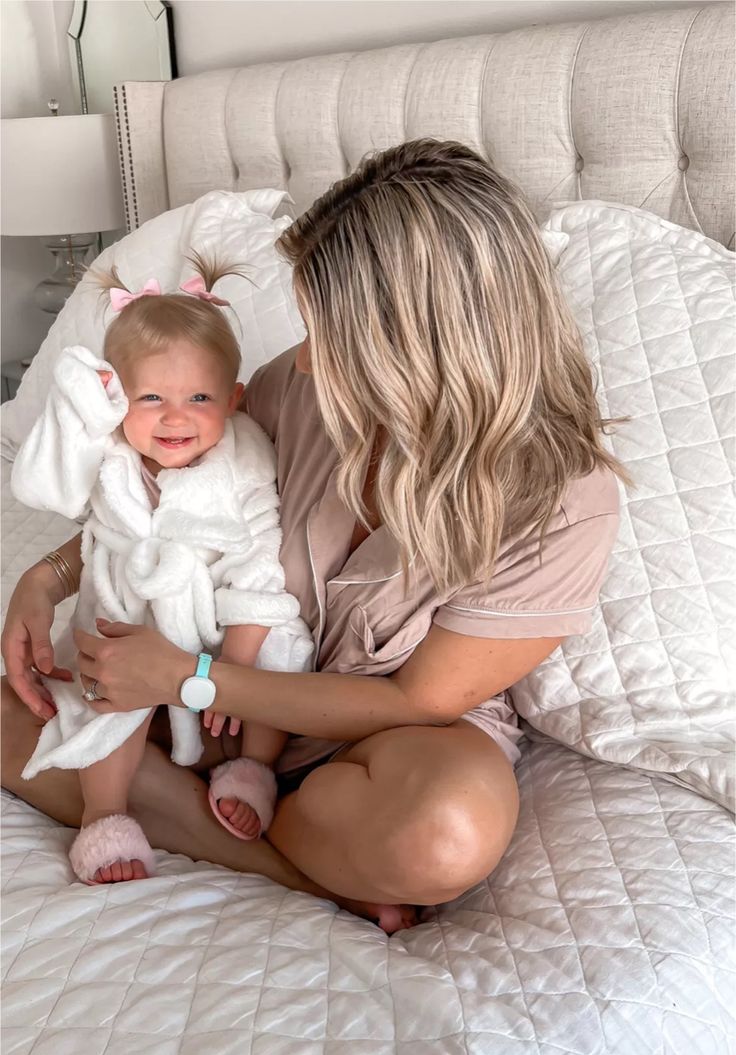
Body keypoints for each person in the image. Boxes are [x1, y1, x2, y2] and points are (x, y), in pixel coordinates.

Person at [1, 139, 623, 934]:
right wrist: (45, 581)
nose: (305, 361)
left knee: (447, 829)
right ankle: (299, 866)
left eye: (334, 337)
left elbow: (414, 698)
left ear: (424, 347)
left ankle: (233, 828)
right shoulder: (293, 392)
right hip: (226, 692)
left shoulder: (564, 497)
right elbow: (166, 507)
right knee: (11, 713)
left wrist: (187, 680)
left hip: (382, 739)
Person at [9, 256, 313, 884]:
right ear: (118, 399)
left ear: (232, 400)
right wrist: (78, 403)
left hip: (222, 626)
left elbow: (259, 564)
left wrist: (234, 663)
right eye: (151, 398)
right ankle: (106, 815)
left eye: (198, 397)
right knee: (100, 686)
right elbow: (58, 495)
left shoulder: (248, 457)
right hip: (132, 614)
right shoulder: (112, 457)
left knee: (286, 651)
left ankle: (252, 771)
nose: (175, 418)